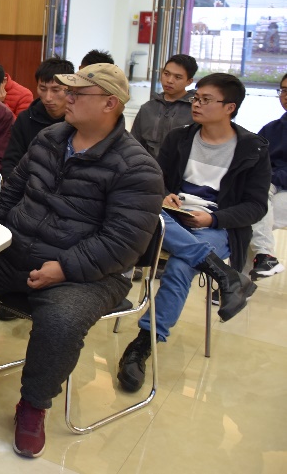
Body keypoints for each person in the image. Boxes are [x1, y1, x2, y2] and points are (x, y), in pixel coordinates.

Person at [0, 63, 163, 459]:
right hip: (17, 249)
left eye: (77, 94)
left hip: (89, 273)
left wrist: (64, 268)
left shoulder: (137, 167)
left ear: (110, 104)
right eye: (68, 91)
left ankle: (33, 404)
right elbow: (11, 194)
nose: (66, 98)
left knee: (61, 319)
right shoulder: (50, 137)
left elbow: (124, 242)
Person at [117, 73, 268, 394]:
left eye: (205, 100)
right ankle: (224, 275)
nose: (195, 104)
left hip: (216, 225)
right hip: (172, 215)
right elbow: (155, 180)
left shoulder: (252, 149)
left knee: (181, 264)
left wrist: (213, 219)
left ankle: (143, 342)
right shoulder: (179, 138)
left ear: (229, 107)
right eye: (195, 98)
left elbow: (256, 207)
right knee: (142, 205)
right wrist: (165, 194)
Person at [1, 58, 74, 174]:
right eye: (42, 89)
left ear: (70, 89)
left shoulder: (78, 122)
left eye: (56, 90)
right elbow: (10, 162)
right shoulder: (26, 119)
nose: (48, 97)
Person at [249, 72, 287, 279]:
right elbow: (254, 160)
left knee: (251, 218)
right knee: (251, 218)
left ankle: (238, 285)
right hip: (270, 189)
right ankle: (263, 259)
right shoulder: (271, 129)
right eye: (284, 90)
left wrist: (269, 178)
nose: (286, 95)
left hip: (276, 188)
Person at [130, 54, 197, 158]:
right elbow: (134, 143)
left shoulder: (195, 110)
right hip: (148, 165)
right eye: (166, 74)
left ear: (189, 81)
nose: (169, 80)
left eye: (178, 77)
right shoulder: (147, 108)